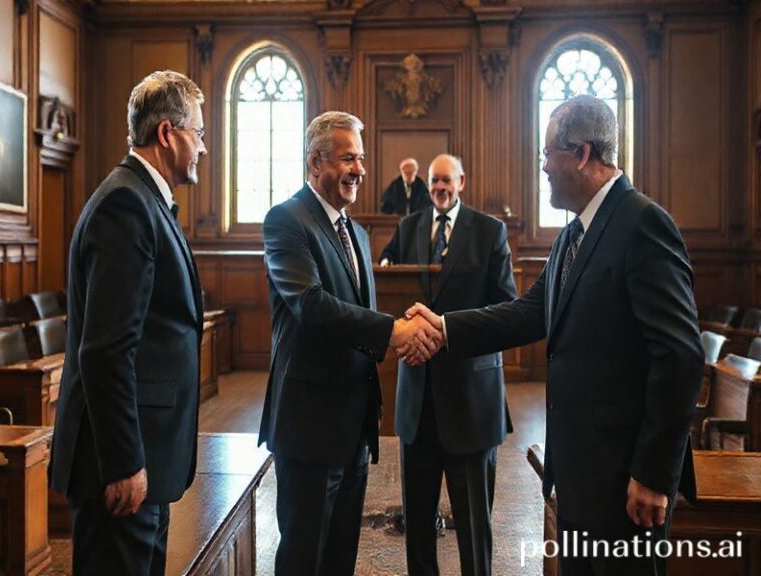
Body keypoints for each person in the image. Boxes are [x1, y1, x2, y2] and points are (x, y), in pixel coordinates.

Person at [407, 95, 703, 576]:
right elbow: (528, 313)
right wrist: (444, 328)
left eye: (547, 154)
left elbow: (681, 357)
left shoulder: (642, 223)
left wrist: (652, 474)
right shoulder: (573, 234)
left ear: (582, 153)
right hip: (577, 472)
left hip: (626, 480)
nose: (542, 166)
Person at [259, 111, 441, 576]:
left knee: (340, 559)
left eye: (360, 158)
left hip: (353, 427)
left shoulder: (357, 234)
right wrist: (394, 332)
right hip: (309, 425)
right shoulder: (286, 221)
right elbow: (312, 305)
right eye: (347, 159)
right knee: (304, 558)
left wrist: (404, 335)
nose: (359, 169)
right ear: (315, 162)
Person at [49, 70, 207, 575]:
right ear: (167, 133)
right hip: (120, 468)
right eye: (198, 134)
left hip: (146, 456)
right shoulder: (126, 204)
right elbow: (106, 351)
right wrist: (124, 463)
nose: (204, 147)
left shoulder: (145, 198)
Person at [380, 154, 518, 576]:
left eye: (446, 180)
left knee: (474, 529)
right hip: (416, 399)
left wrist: (447, 332)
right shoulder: (408, 227)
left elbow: (507, 309)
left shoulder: (490, 231)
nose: (439, 187)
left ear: (461, 181)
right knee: (418, 528)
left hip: (471, 399)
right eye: (434, 180)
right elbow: (389, 283)